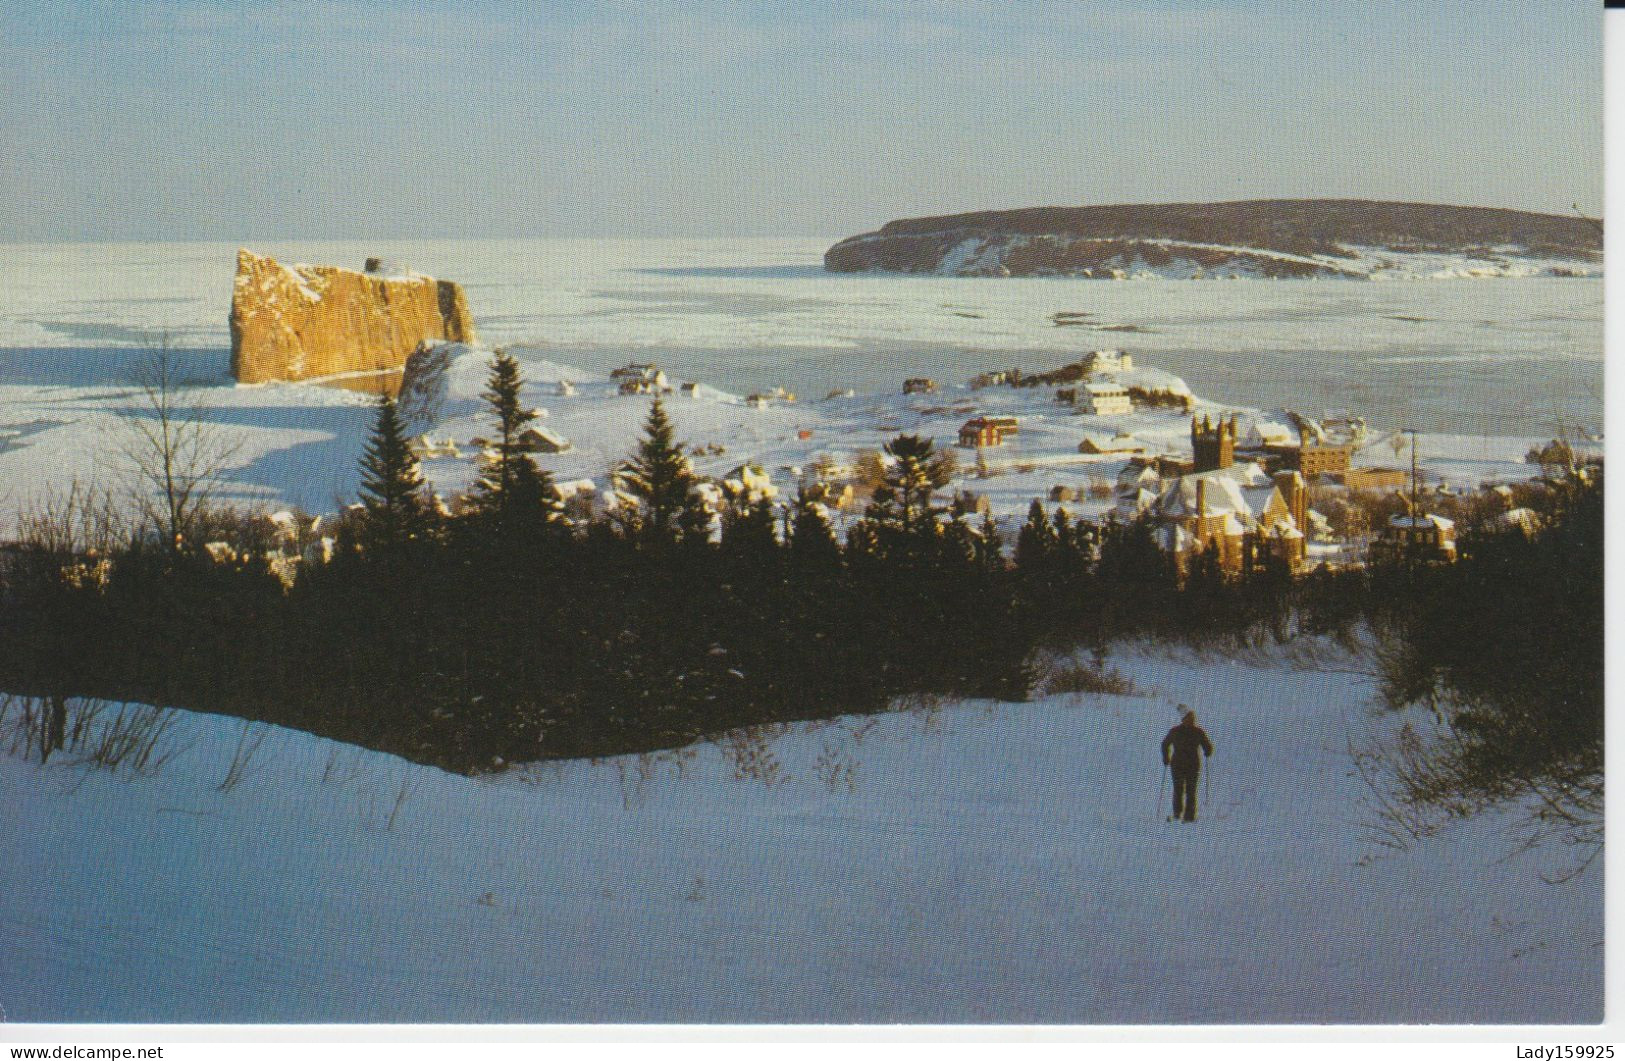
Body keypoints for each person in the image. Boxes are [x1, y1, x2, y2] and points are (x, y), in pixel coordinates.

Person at [1161, 706, 1213, 822]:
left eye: (1192, 718)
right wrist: (1166, 757)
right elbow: (1165, 744)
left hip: (1191, 765)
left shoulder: (1196, 732)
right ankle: (1180, 814)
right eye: (1189, 718)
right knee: (1181, 789)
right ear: (1183, 719)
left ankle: (1186, 815)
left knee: (1189, 790)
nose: (1191, 720)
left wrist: (1208, 751)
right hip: (1180, 765)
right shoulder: (1178, 731)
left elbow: (1207, 746)